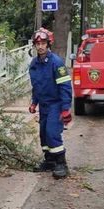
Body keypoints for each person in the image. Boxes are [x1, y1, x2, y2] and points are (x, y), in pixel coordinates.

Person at [28, 28, 72, 179]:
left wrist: (66, 109)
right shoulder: (34, 64)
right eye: (37, 43)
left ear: (48, 44)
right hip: (44, 105)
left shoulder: (56, 63)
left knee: (52, 133)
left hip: (56, 104)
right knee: (43, 135)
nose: (40, 46)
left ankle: (61, 164)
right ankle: (50, 161)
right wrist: (34, 103)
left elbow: (65, 86)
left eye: (43, 43)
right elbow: (36, 86)